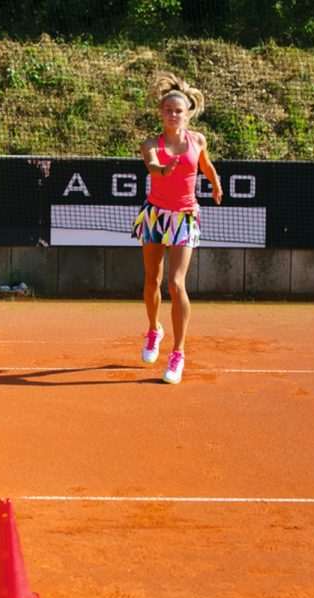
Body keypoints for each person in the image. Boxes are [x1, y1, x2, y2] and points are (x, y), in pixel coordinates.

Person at [132, 73, 222, 384]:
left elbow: (205, 165)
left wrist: (215, 181)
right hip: (156, 215)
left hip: (185, 217)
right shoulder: (150, 143)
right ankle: (154, 329)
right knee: (152, 281)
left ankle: (178, 353)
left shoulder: (198, 140)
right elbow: (153, 166)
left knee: (176, 283)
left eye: (178, 110)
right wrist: (164, 169)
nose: (173, 114)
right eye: (168, 109)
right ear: (162, 113)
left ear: (188, 113)